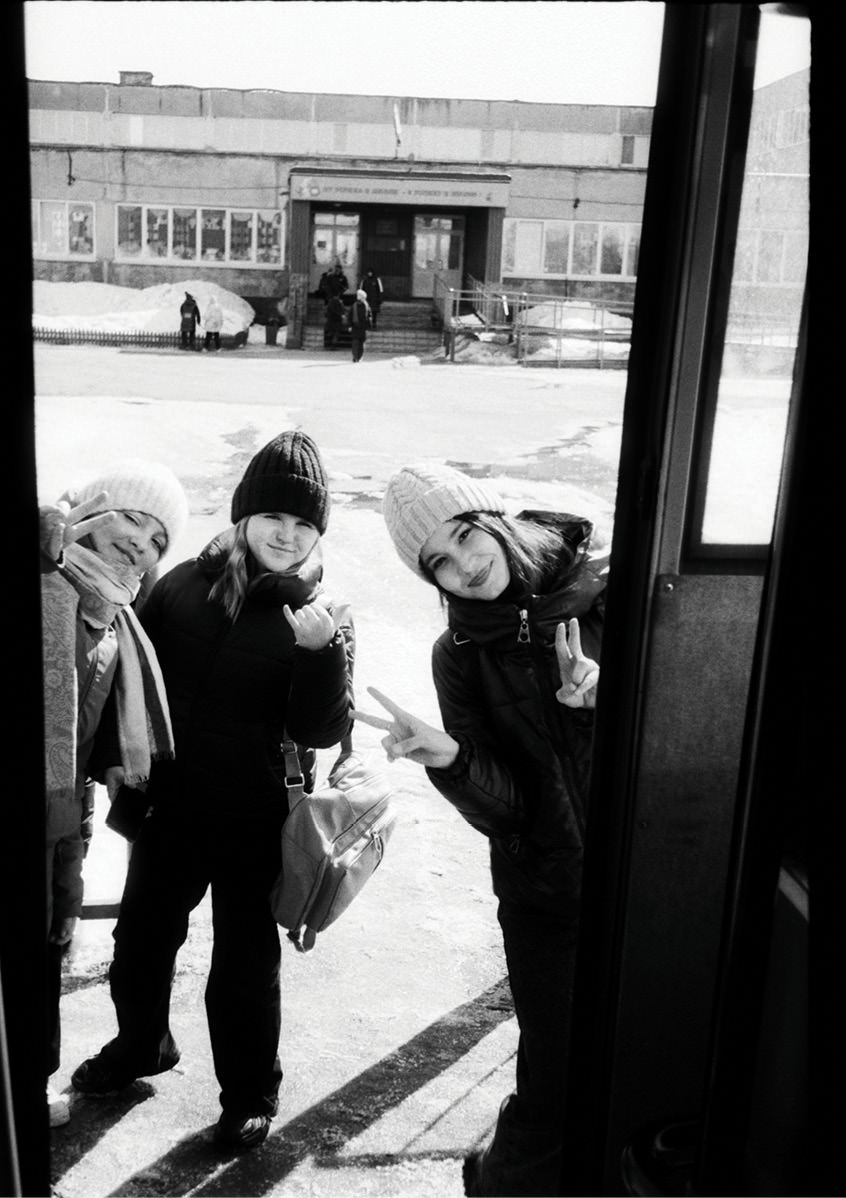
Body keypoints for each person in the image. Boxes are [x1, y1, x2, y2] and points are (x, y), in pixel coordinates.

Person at [71, 431, 355, 1154]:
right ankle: (141, 1046)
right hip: (171, 807)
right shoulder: (181, 586)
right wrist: (118, 772)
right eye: (274, 518)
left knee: (244, 966)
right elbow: (131, 683)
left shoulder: (322, 611)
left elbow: (321, 729)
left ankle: (250, 1094)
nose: (287, 535)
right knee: (140, 941)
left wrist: (321, 652)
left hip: (256, 819)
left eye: (303, 524)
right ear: (244, 517)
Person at [354, 462, 608, 1197]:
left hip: (659, 876)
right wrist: (455, 761)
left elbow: (698, 726)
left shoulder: (610, 591)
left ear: (495, 520)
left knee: (662, 1058)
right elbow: (513, 812)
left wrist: (607, 703)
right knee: (553, 1085)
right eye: (438, 560)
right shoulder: (458, 655)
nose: (462, 566)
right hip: (546, 898)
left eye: (465, 536)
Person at [41, 459, 189, 1128]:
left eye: (158, 538)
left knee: (49, 945)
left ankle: (31, 1081)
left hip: (64, 814)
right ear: (91, 510)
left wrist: (104, 772)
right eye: (131, 518)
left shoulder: (114, 614)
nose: (141, 542)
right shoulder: (46, 576)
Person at [349, 289, 372, 363]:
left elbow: (369, 316)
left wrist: (350, 325)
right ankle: (356, 357)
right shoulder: (363, 306)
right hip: (358, 327)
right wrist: (350, 325)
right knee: (357, 343)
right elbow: (350, 315)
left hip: (360, 327)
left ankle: (357, 357)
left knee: (358, 343)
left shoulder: (358, 305)